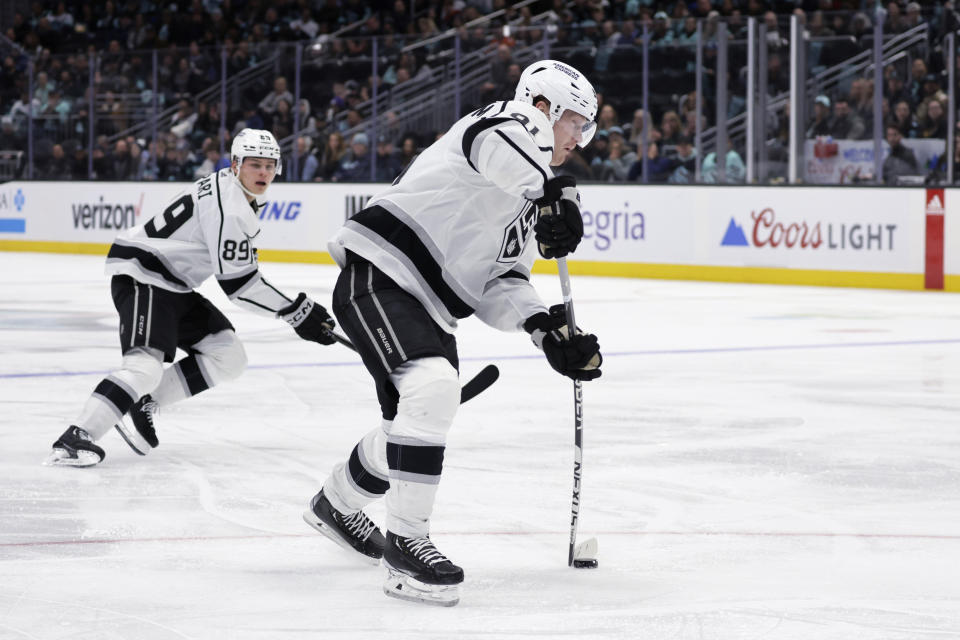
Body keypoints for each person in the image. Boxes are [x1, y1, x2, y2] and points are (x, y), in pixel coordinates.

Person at [302, 60, 604, 607]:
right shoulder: (508, 124)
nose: (579, 138)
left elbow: (502, 280)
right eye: (575, 122)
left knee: (415, 416)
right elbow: (497, 143)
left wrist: (546, 330)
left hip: (430, 307)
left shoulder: (527, 196)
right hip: (382, 272)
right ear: (544, 108)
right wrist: (553, 192)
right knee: (433, 389)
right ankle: (405, 546)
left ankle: (336, 504)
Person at [45, 129, 337, 467]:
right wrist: (297, 312)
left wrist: (295, 312)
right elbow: (239, 285)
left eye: (270, 165)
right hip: (145, 276)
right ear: (236, 164)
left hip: (172, 283)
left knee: (228, 355)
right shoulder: (231, 207)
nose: (263, 173)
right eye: (255, 164)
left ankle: (145, 402)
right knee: (144, 366)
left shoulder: (230, 190)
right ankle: (77, 436)